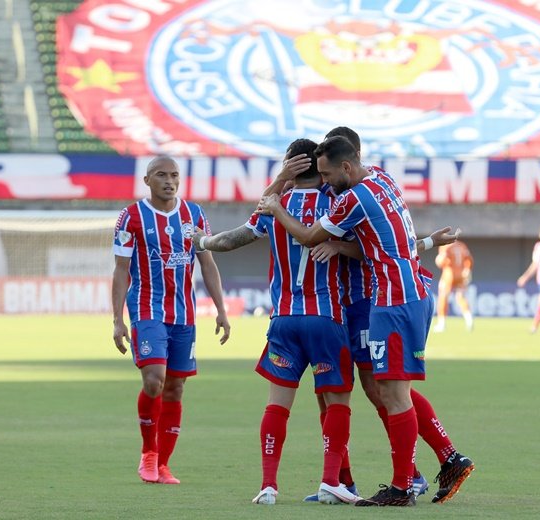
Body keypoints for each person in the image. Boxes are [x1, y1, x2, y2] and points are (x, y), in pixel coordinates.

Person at [257, 136, 474, 507]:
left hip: (375, 301)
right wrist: (425, 242)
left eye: (328, 174)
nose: (324, 182)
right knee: (377, 391)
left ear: (345, 164)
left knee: (382, 391)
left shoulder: (348, 199)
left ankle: (411, 478)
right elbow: (392, 239)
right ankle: (371, 478)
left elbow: (310, 235)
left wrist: (279, 203)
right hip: (396, 295)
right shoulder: (381, 179)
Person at [192, 139, 359, 505]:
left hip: (284, 318)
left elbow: (231, 240)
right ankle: (331, 481)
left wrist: (200, 240)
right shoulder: (338, 203)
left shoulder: (273, 206)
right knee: (338, 401)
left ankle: (268, 485)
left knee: (277, 404)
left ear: (290, 166)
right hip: (326, 318)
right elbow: (368, 245)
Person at [111, 156, 231, 486]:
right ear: (147, 180)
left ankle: (163, 464)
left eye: (174, 175)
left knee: (176, 388)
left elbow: (207, 264)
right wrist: (117, 320)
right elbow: (121, 270)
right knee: (154, 380)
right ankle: (148, 453)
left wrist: (220, 308)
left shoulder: (195, 215)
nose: (169, 180)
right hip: (147, 310)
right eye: (161, 175)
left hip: (184, 315)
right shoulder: (131, 217)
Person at [434, 240, 474, 333]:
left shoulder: (445, 246)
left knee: (443, 297)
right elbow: (469, 259)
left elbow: (441, 261)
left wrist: (439, 261)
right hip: (461, 274)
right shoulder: (461, 245)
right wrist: (467, 269)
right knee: (461, 297)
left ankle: (442, 324)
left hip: (449, 274)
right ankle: (469, 320)